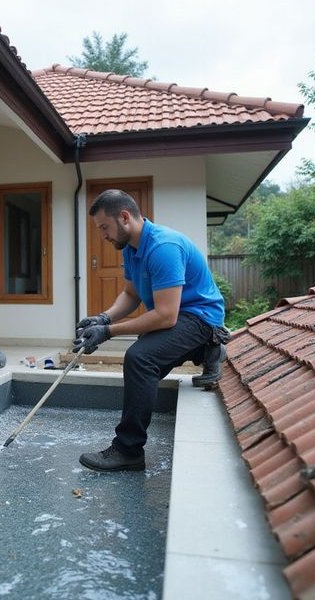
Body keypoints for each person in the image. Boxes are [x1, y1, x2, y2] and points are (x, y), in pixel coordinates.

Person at [74, 189, 229, 472]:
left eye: (104, 227)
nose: (103, 236)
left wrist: (108, 333)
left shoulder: (163, 247)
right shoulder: (131, 248)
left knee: (140, 358)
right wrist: (103, 319)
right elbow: (131, 294)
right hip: (179, 316)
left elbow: (166, 316)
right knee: (146, 353)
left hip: (201, 317)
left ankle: (128, 450)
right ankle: (207, 350)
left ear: (124, 218)